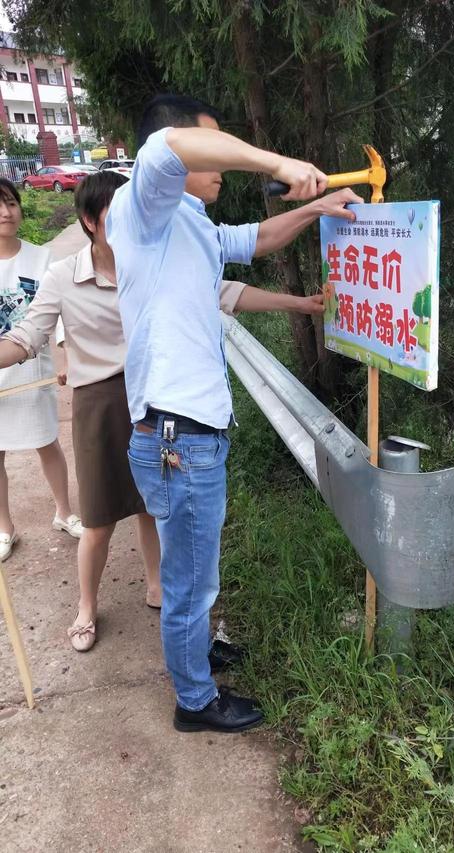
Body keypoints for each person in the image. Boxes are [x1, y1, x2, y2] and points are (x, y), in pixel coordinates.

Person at [106, 93, 362, 734]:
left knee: (197, 564)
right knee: (190, 580)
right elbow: (169, 146)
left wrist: (318, 206)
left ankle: (197, 650)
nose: (220, 165)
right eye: (213, 148)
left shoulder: (188, 223)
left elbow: (256, 239)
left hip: (189, 435)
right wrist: (276, 161)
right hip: (177, 435)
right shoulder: (143, 205)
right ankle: (195, 701)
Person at [0, 171, 324, 653]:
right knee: (98, 518)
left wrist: (300, 303)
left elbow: (225, 292)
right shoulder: (63, 276)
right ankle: (86, 606)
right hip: (99, 406)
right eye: (117, 215)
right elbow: (26, 337)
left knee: (156, 508)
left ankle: (157, 587)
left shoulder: (156, 259)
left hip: (155, 400)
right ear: (89, 222)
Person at [0, 178, 81, 563]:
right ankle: (5, 528)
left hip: (34, 372)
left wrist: (66, 357)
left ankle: (64, 512)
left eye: (12, 203)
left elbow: (61, 314)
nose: (6, 212)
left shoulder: (42, 259)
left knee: (47, 441)